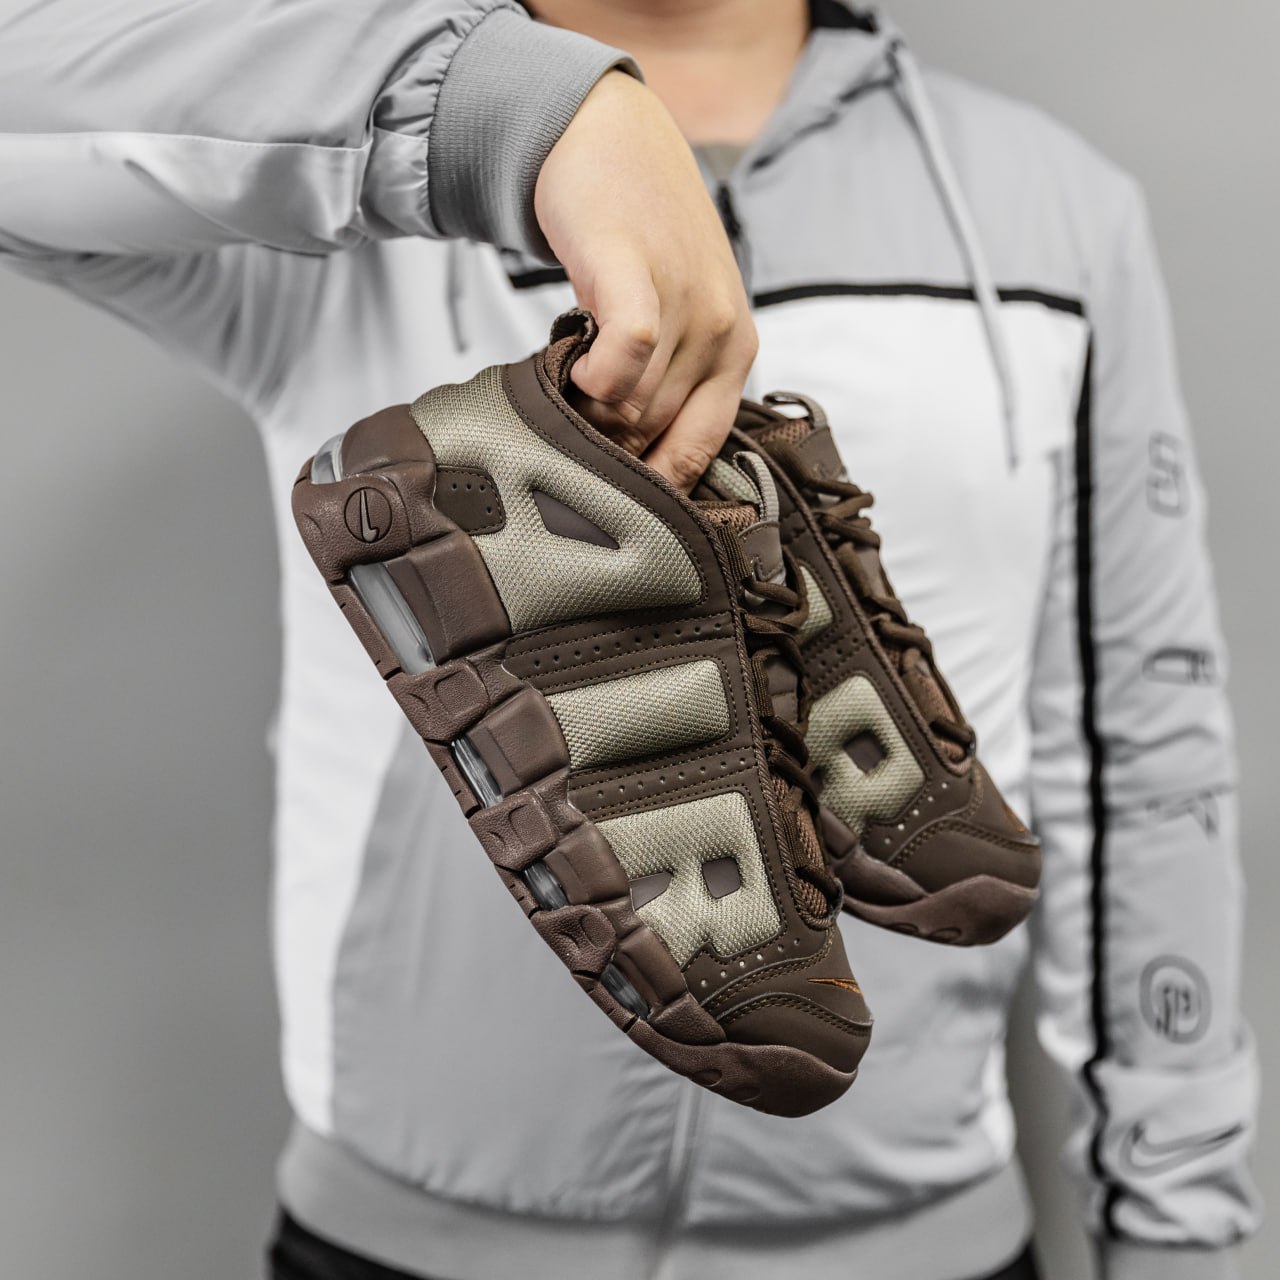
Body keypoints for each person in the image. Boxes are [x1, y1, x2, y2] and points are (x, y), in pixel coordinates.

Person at [0, 2, 1259, 1278]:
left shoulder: (1050, 210)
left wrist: (1178, 1228)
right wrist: (508, 112)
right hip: (404, 1239)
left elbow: (1140, 758)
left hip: (918, 1240)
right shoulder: (342, 162)